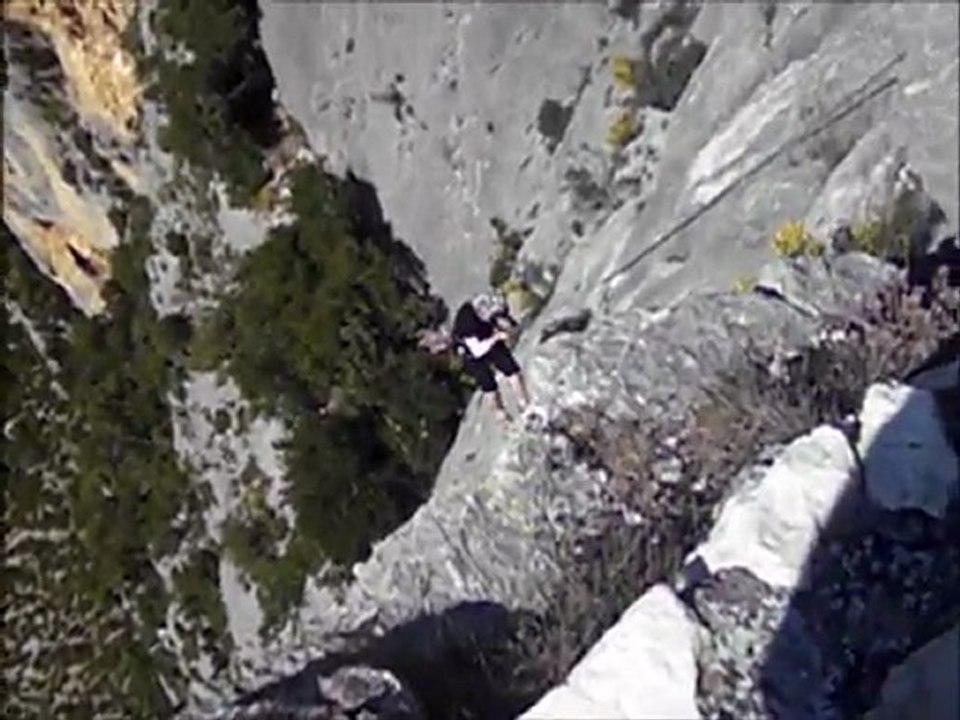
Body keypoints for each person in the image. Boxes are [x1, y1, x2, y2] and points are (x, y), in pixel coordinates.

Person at [451, 297, 530, 423]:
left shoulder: (487, 304)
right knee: (490, 388)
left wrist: (507, 328)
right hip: (472, 354)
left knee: (512, 369)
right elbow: (477, 351)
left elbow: (503, 317)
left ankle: (525, 405)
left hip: (487, 334)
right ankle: (502, 417)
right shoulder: (466, 324)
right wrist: (497, 337)